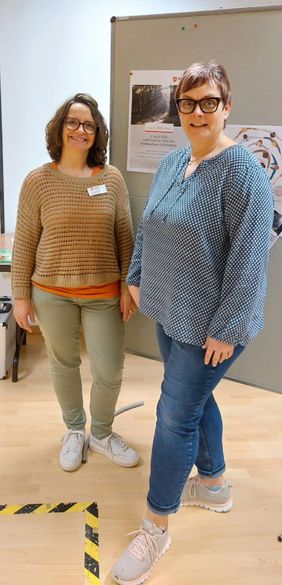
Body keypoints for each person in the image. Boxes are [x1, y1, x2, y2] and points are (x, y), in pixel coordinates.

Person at [111, 62, 274, 584]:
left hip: (212, 324)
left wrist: (227, 328)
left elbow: (250, 259)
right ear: (177, 108)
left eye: (209, 102)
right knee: (193, 401)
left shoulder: (243, 172)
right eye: (188, 102)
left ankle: (156, 525)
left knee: (174, 416)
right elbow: (148, 223)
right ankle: (214, 484)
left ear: (227, 106)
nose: (198, 112)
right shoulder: (173, 161)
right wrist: (136, 275)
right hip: (169, 308)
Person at [12, 93, 139, 472]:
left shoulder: (112, 178)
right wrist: (20, 297)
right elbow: (25, 242)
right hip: (51, 294)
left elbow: (126, 239)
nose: (80, 130)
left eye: (88, 124)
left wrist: (127, 288)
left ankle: (100, 433)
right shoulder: (37, 181)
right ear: (59, 127)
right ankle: (73, 430)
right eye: (72, 122)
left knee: (110, 369)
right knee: (63, 364)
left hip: (103, 294)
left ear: (97, 132)